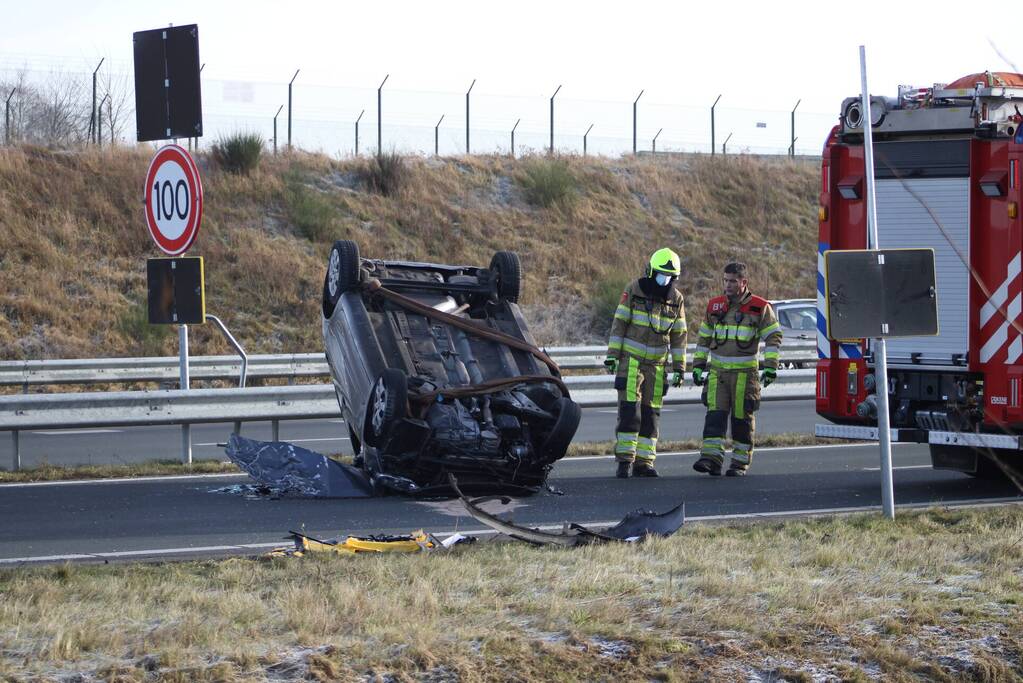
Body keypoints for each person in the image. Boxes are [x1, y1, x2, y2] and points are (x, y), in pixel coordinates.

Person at [691, 262, 782, 477]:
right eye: (725, 280)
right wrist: (698, 365)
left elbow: (773, 336)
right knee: (714, 417)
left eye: (733, 281)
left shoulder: (759, 307)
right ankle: (711, 459)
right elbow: (704, 338)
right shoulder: (714, 306)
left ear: (744, 282)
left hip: (745, 376)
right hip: (718, 375)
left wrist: (770, 367)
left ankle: (739, 463)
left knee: (741, 420)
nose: (728, 285)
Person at [604, 248, 687, 478]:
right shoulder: (634, 289)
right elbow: (619, 324)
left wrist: (679, 368)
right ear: (650, 271)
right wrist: (612, 355)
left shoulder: (676, 299)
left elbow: (679, 336)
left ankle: (644, 463)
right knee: (629, 412)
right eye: (661, 275)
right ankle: (625, 462)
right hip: (631, 364)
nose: (664, 280)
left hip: (657, 368)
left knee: (651, 415)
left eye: (669, 277)